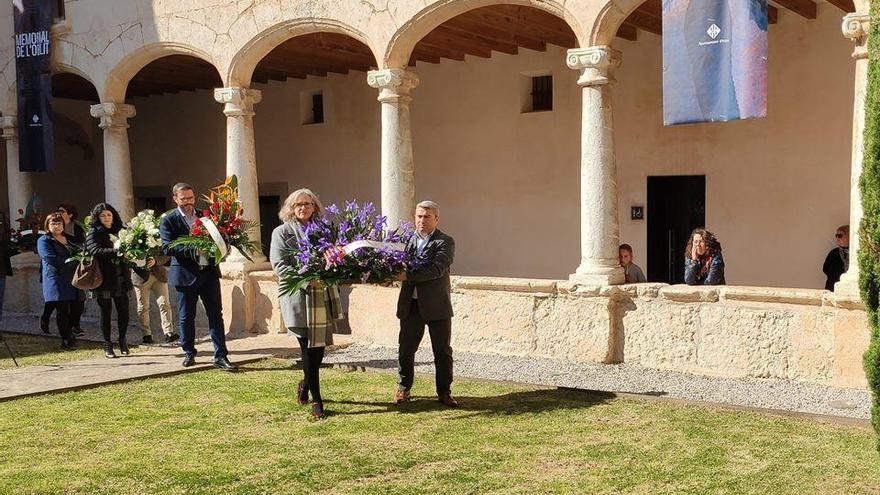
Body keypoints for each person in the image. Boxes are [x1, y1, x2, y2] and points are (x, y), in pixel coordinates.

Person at [269, 189, 343, 419]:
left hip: (321, 295)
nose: (303, 208)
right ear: (291, 208)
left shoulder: (323, 231)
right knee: (308, 349)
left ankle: (305, 382)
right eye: (298, 204)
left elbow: (336, 258)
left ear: (315, 207)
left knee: (318, 351)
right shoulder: (281, 232)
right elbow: (279, 265)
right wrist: (306, 279)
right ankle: (317, 401)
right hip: (298, 296)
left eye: (308, 204)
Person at [160, 182, 236, 371]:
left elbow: (220, 237)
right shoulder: (169, 219)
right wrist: (194, 247)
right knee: (186, 316)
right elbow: (167, 246)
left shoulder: (205, 216)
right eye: (184, 199)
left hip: (209, 273)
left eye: (191, 198)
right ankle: (189, 352)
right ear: (175, 199)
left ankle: (221, 355)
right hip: (185, 275)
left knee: (216, 315)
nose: (188, 202)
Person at [395, 200, 457, 407]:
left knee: (442, 351)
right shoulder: (404, 241)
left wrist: (406, 275)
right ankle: (404, 388)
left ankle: (444, 391)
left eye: (427, 217)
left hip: (436, 305)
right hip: (410, 305)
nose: (422, 221)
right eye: (419, 216)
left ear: (436, 219)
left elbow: (436, 269)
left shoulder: (445, 241)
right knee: (405, 349)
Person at [86, 203, 133, 358]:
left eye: (109, 215)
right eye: (103, 215)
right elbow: (95, 250)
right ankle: (107, 344)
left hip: (121, 277)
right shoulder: (94, 232)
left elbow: (131, 248)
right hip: (104, 278)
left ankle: (122, 340)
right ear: (98, 218)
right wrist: (117, 252)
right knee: (105, 313)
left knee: (124, 312)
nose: (106, 218)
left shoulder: (122, 230)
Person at [37, 213, 79, 350]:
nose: (56, 226)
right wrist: (72, 262)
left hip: (73, 277)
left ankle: (68, 331)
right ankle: (65, 338)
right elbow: (50, 258)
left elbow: (81, 252)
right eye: (53, 223)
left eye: (59, 223)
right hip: (56, 277)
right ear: (47, 226)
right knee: (62, 308)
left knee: (76, 306)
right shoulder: (44, 240)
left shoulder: (71, 239)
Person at [823, 225, 849, 292]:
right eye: (836, 235)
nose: (837, 238)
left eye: (840, 235)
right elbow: (825, 269)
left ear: (849, 236)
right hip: (832, 288)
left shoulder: (856, 253)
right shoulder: (833, 253)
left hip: (849, 288)